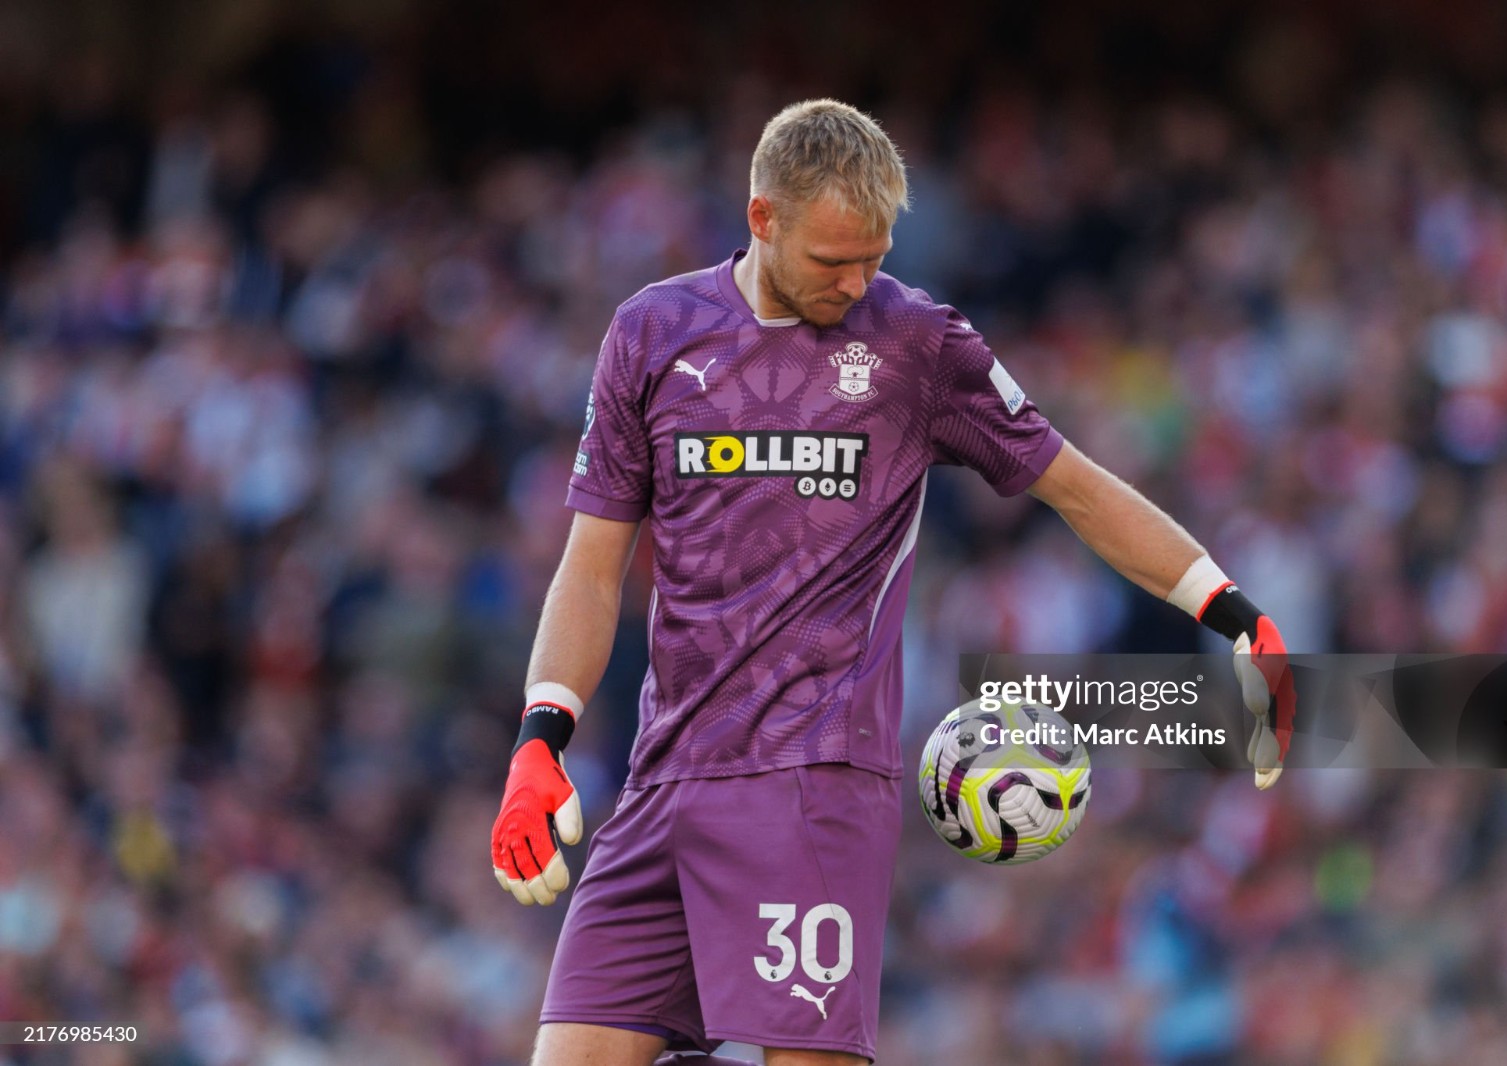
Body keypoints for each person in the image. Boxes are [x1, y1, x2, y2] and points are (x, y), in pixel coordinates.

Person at [490, 99, 1294, 1066]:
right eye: (833, 261)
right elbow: (591, 567)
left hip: (813, 783)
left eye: (873, 258)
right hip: (663, 780)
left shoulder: (917, 343)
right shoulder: (652, 332)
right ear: (762, 218)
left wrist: (1236, 615)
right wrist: (541, 739)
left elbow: (1079, 490)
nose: (857, 283)